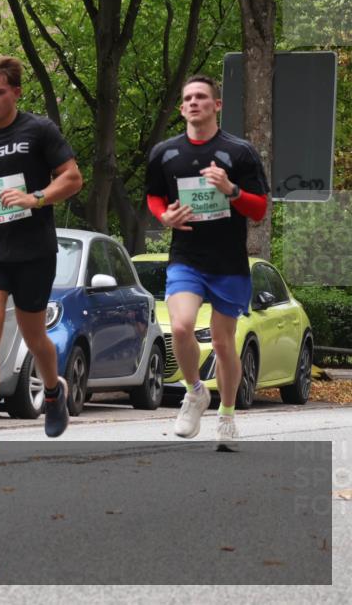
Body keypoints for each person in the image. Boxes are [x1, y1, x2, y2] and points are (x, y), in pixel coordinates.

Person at [0, 56, 83, 454]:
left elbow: (72, 178)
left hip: (33, 250)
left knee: (33, 334)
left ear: (16, 93)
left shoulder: (38, 130)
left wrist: (35, 198)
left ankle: (55, 390)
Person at [145, 75, 268, 451]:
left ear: (217, 105)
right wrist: (164, 216)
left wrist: (230, 190)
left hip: (229, 261)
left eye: (202, 97)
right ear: (181, 108)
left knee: (223, 341)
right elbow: (153, 197)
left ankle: (227, 416)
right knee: (180, 328)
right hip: (187, 257)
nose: (194, 103)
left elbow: (260, 210)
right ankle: (195, 392)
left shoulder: (240, 152)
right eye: (188, 98)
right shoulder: (165, 153)